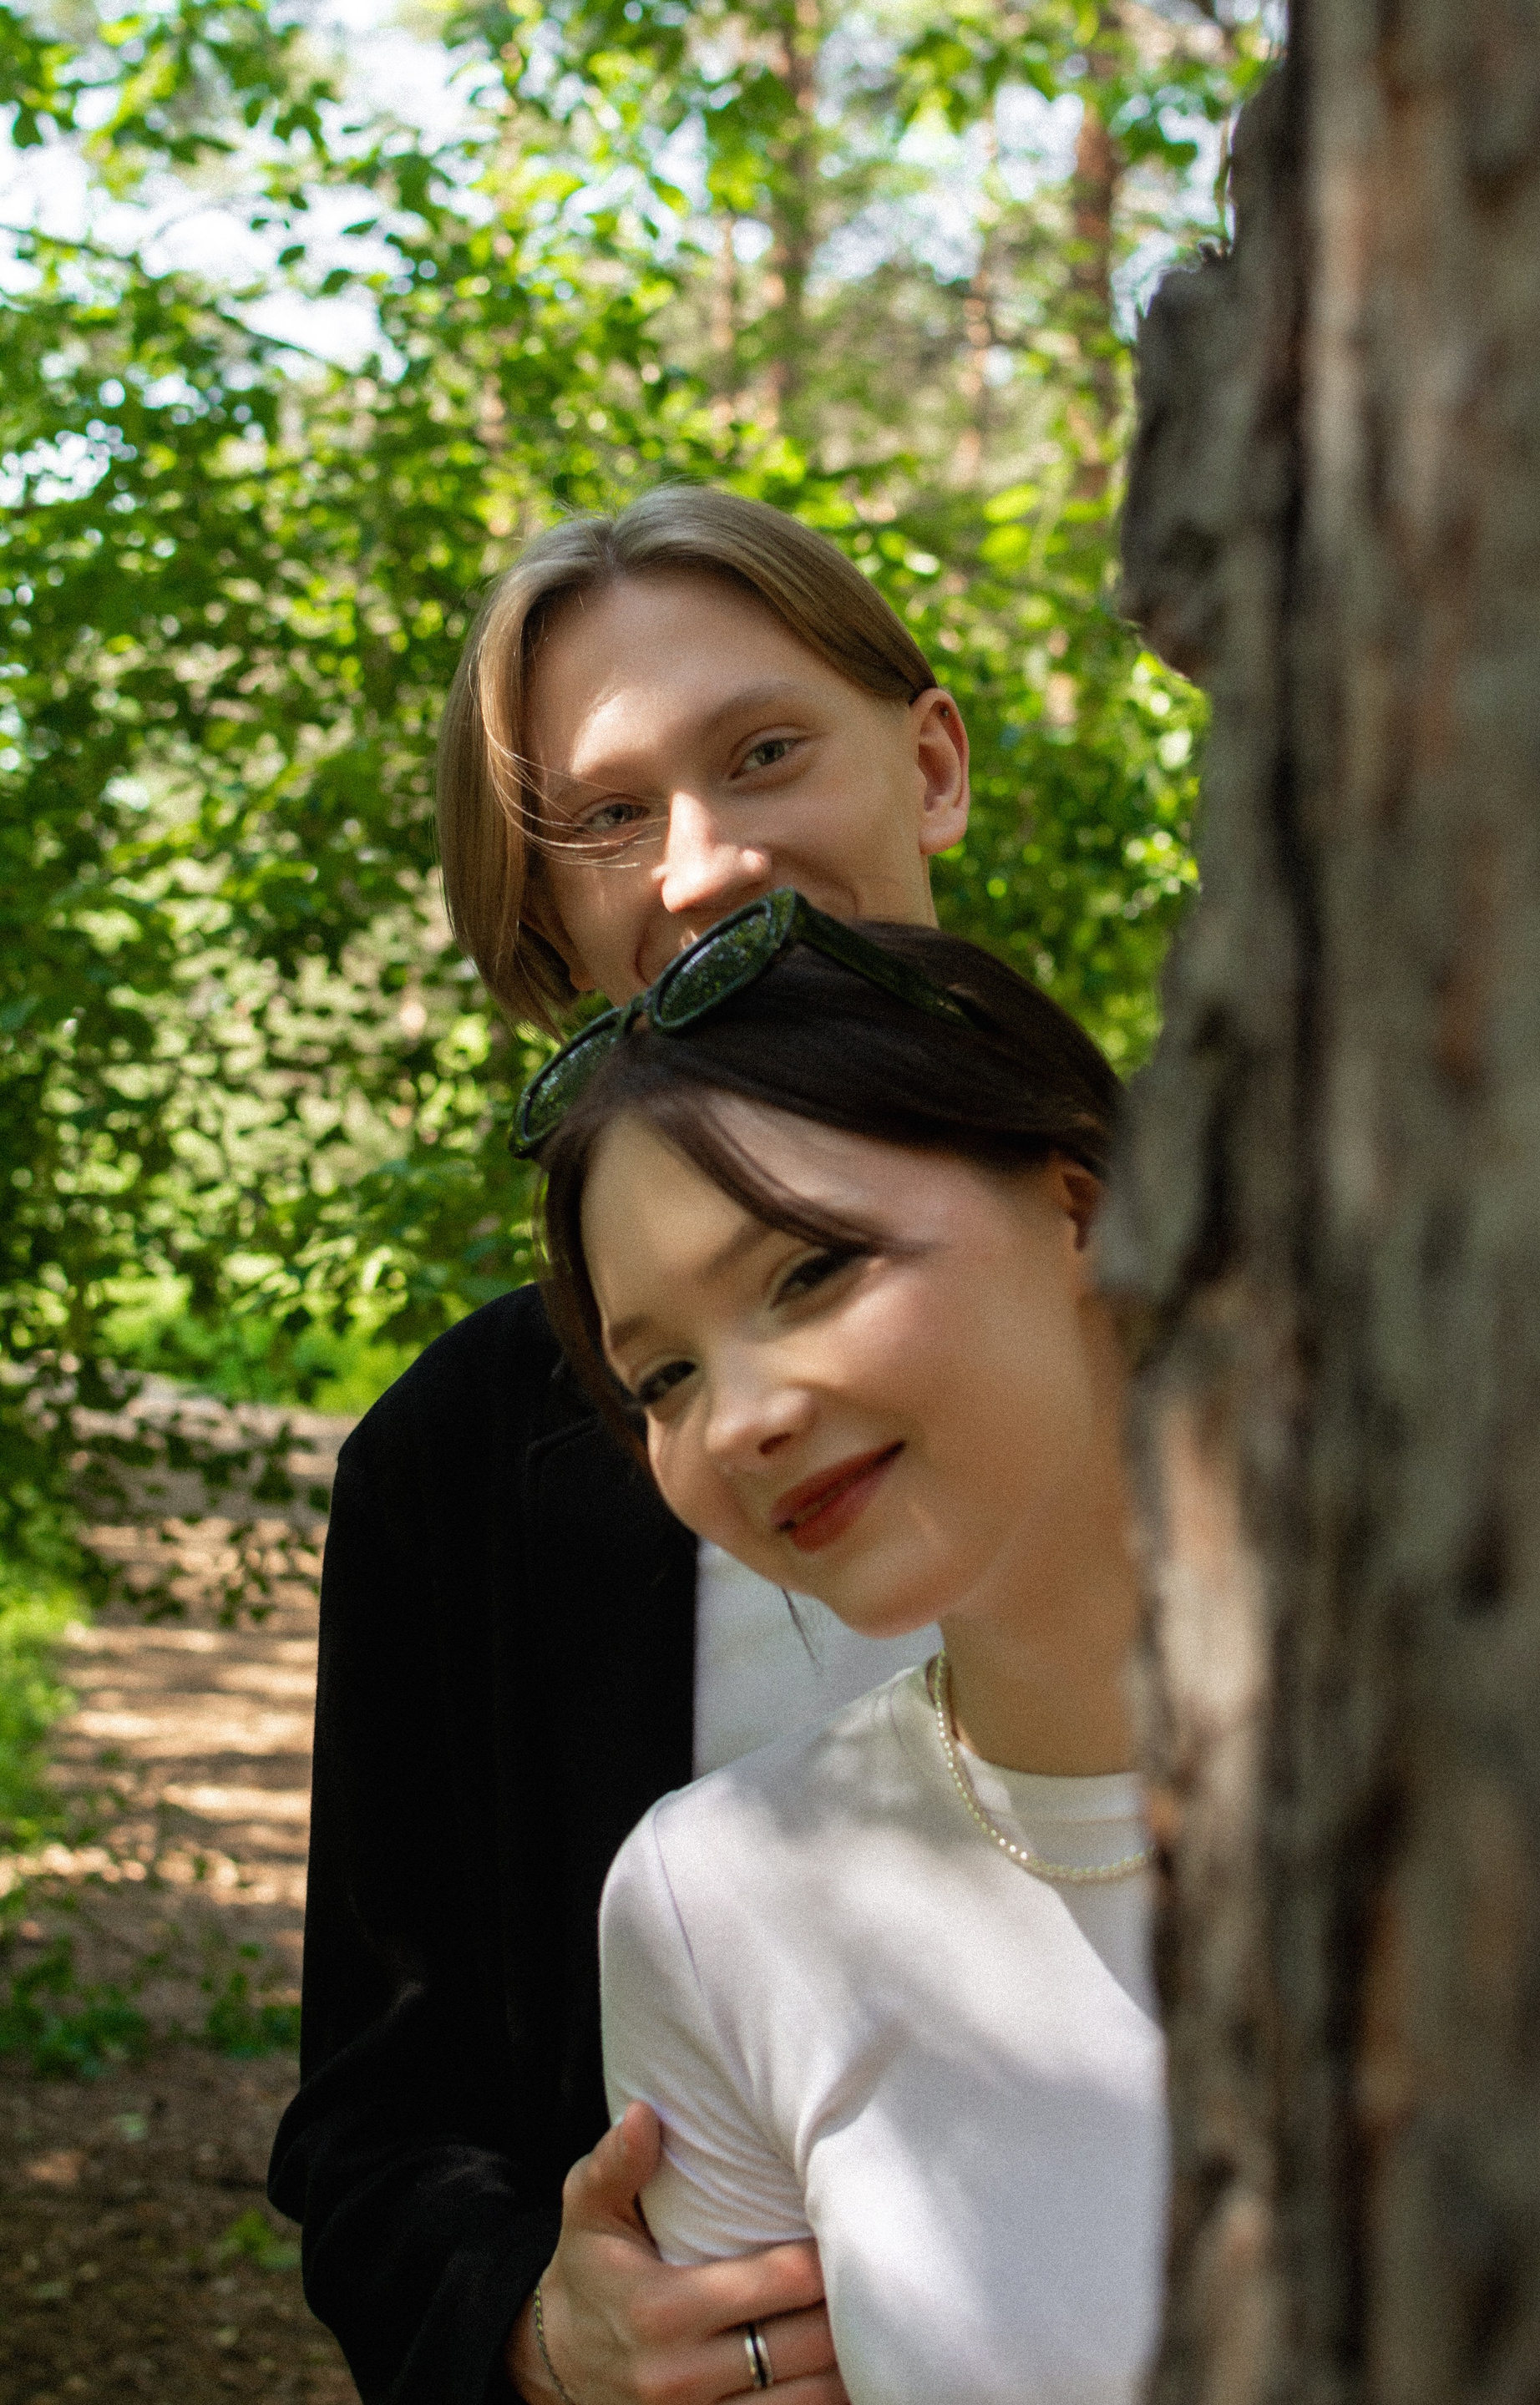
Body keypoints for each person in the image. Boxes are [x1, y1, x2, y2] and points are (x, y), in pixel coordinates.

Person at [268, 489, 984, 2405]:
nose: (708, 864)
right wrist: (542, 2329)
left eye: (764, 753)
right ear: (546, 919)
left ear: (929, 765)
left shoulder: (1284, 1293)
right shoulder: (454, 1466)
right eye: (603, 818)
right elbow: (378, 2131)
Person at [521, 893, 1166, 2405]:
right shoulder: (716, 1904)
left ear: (1078, 1207)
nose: (738, 1422)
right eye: (663, 1378)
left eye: (808, 1271)